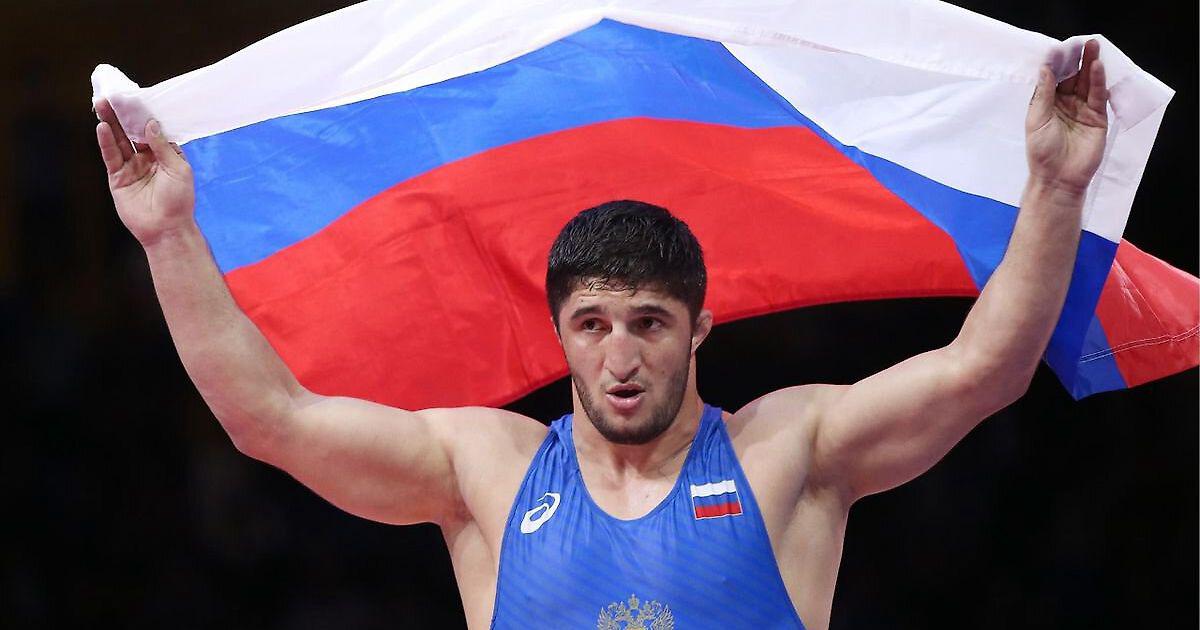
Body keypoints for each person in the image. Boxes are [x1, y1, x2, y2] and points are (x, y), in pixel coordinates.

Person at [95, 37, 1108, 629]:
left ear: (701, 326)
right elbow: (270, 419)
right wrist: (170, 233)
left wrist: (1058, 187)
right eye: (592, 325)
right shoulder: (486, 472)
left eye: (649, 324)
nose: (620, 358)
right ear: (559, 331)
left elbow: (984, 367)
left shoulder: (786, 453)